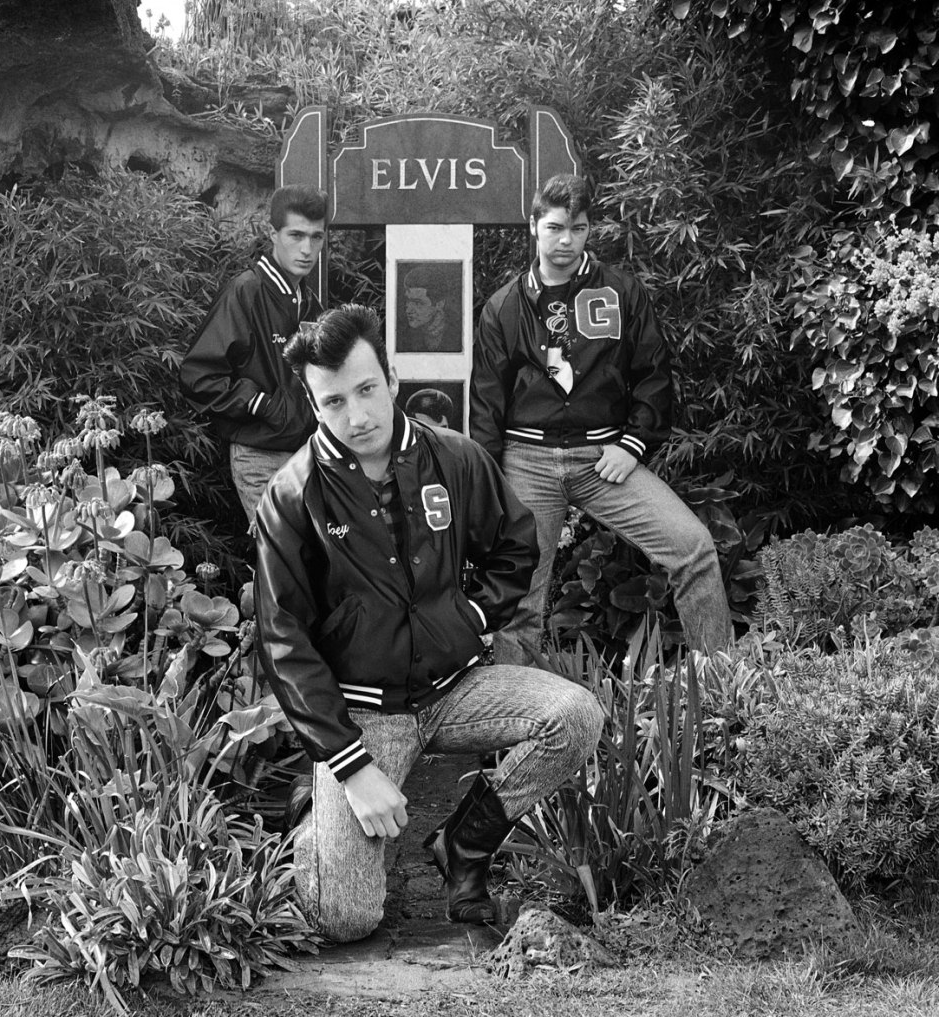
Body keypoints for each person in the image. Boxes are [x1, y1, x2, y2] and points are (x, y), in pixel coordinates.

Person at [254, 304, 604, 942]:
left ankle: (463, 844)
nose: (356, 417)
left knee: (575, 715)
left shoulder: (456, 458)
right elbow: (283, 641)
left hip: (458, 688)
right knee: (345, 921)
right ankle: (316, 826)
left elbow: (517, 546)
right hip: (366, 713)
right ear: (313, 403)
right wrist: (352, 768)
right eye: (333, 402)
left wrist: (470, 616)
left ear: (391, 378)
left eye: (366, 390)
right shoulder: (291, 494)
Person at [471, 173, 732, 664]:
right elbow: (486, 406)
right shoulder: (503, 307)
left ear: (591, 230)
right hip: (527, 461)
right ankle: (514, 728)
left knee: (694, 548)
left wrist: (632, 443)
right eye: (554, 228)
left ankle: (723, 696)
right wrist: (489, 489)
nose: (565, 241)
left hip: (603, 459)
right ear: (533, 226)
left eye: (579, 229)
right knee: (521, 602)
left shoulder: (621, 292)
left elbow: (653, 373)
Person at [179, 184, 328, 525]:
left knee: (306, 568)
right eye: (296, 235)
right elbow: (198, 375)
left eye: (316, 238)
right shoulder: (246, 291)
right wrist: (265, 406)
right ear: (271, 233)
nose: (306, 249)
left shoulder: (308, 301)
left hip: (307, 457)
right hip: (260, 457)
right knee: (281, 562)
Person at [398, 263, 460, 352]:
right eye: (408, 301)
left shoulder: (458, 333)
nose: (408, 310)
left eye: (418, 303)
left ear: (439, 304)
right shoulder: (404, 335)